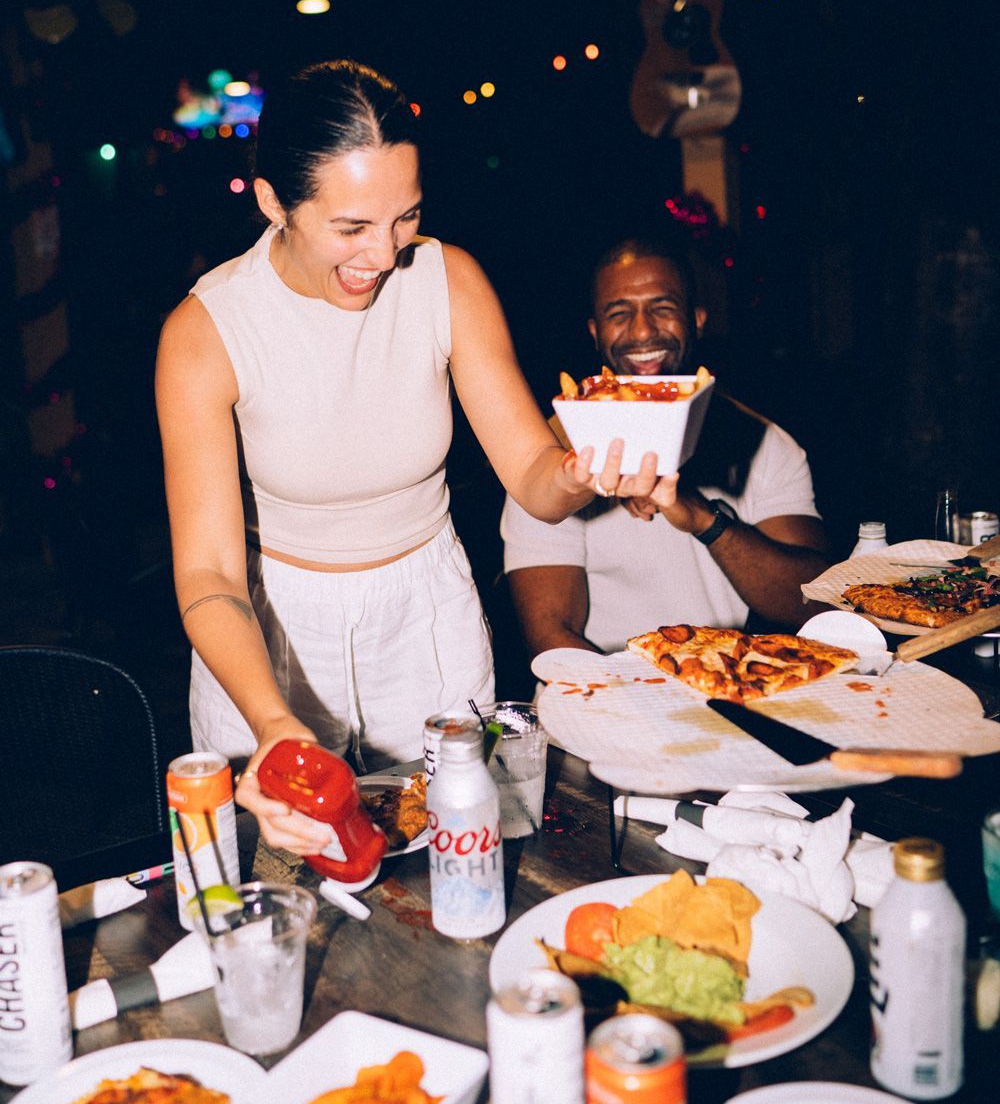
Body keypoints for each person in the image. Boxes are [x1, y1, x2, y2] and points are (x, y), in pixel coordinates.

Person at [155, 61, 676, 852]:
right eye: (351, 227)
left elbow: (536, 480)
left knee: (459, 856)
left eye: (405, 217)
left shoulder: (447, 279)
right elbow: (209, 575)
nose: (384, 253)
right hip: (267, 632)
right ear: (272, 202)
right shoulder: (205, 332)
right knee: (285, 872)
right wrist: (271, 720)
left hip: (424, 612)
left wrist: (583, 470)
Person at [501, 234, 830, 657]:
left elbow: (815, 603)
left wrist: (703, 518)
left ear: (697, 320)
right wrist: (648, 694)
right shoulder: (548, 456)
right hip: (601, 688)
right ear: (595, 332)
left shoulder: (761, 440)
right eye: (619, 313)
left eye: (663, 308)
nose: (642, 330)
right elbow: (551, 635)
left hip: (723, 683)